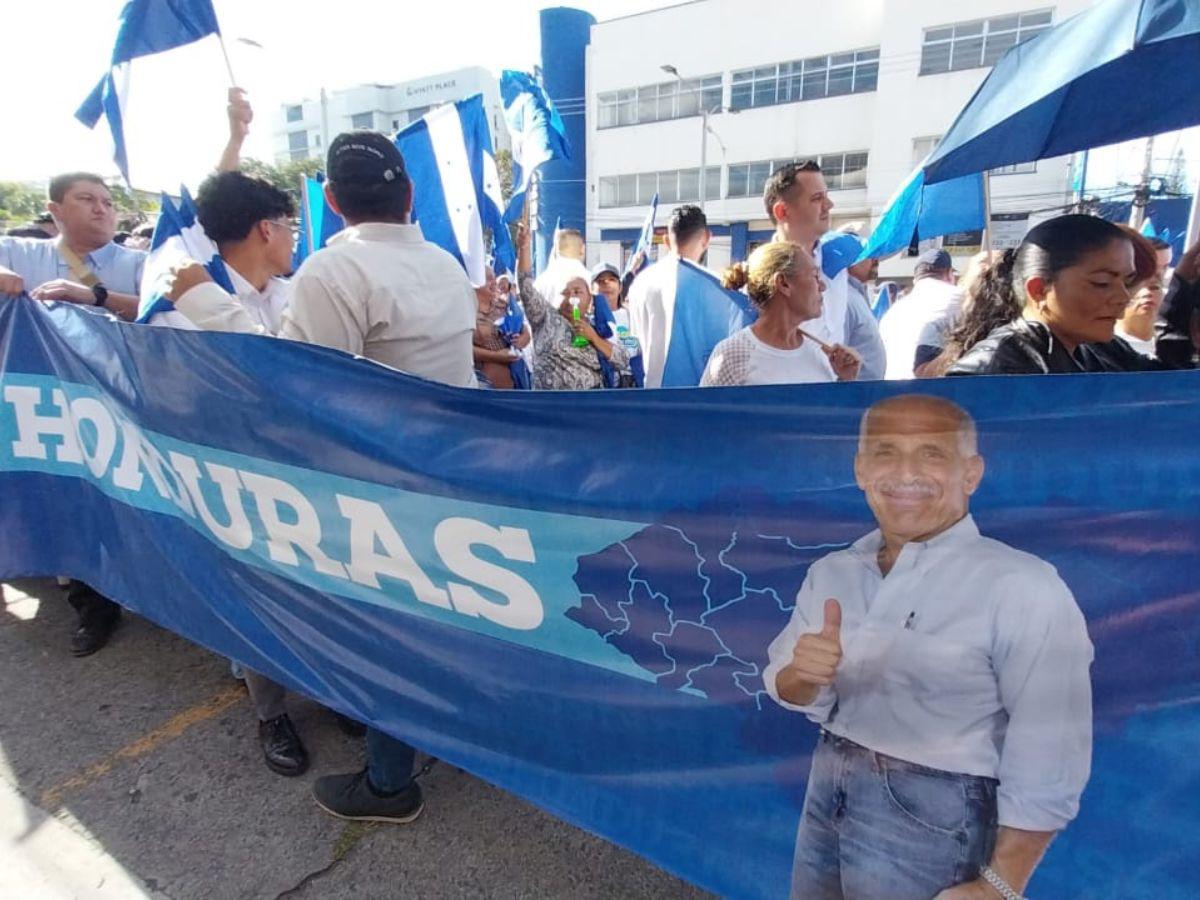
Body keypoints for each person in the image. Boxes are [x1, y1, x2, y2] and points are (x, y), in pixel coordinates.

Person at [765, 394, 1093, 900]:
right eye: (886, 452)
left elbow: (1052, 747)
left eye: (932, 454)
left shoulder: (1022, 585)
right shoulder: (833, 572)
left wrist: (1000, 886)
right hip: (827, 789)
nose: (906, 473)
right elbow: (791, 689)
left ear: (972, 473)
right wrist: (802, 676)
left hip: (936, 818)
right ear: (860, 470)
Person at [263, 131, 473, 825]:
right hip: (450, 476)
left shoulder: (331, 271)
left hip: (376, 491)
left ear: (330, 199)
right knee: (431, 623)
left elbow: (309, 396)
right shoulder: (445, 264)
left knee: (389, 637)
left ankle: (389, 784)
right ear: (410, 193)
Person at [0, 172, 148, 656]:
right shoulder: (22, 254)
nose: (102, 209)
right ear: (56, 209)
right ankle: (92, 606)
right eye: (86, 199)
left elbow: (158, 309)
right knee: (68, 505)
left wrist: (95, 297)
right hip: (52, 414)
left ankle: (151, 591)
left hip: (122, 409)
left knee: (132, 502)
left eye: (107, 201)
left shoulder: (137, 262)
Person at [946, 215, 1187, 375]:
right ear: (1039, 290)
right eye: (1102, 283)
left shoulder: (1104, 350)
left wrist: (1183, 291)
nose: (1123, 297)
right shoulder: (993, 370)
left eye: (1127, 282)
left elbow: (1172, 390)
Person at [701, 242, 859, 386]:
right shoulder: (733, 355)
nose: (823, 286)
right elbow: (703, 409)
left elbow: (829, 409)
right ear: (783, 283)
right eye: (815, 276)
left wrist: (845, 381)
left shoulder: (821, 354)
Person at [160, 171, 295, 335]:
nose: (293, 241)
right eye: (290, 229)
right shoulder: (183, 307)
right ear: (267, 230)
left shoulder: (293, 294)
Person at [517, 225, 631, 390]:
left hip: (589, 401)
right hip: (551, 401)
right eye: (566, 292)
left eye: (577, 292)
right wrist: (524, 248)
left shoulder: (598, 326)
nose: (572, 298)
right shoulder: (544, 318)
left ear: (590, 300)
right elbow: (525, 284)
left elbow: (622, 360)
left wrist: (594, 338)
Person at [763, 161, 848, 349]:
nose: (829, 205)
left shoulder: (838, 258)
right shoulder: (759, 278)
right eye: (817, 198)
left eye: (827, 196)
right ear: (782, 211)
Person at [626, 204, 711, 388]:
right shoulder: (713, 286)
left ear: (666, 240)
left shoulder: (640, 283)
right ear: (706, 238)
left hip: (652, 391)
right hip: (700, 392)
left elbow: (635, 342)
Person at [878, 248, 960, 380]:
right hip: (935, 387)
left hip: (890, 388)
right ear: (950, 274)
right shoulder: (961, 298)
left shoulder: (893, 312)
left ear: (915, 279)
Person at [816, 231, 886, 380]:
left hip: (863, 390)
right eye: (866, 254)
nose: (875, 259)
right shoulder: (842, 299)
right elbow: (837, 353)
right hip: (854, 390)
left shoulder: (854, 295)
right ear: (845, 260)